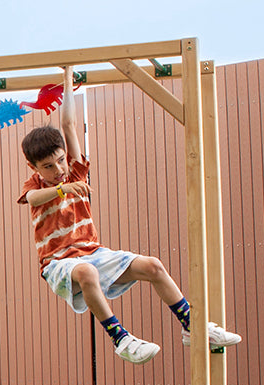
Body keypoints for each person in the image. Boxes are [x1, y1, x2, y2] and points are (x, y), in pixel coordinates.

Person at [16, 103, 241, 364]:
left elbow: (68, 125)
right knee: (87, 273)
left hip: (93, 253)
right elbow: (32, 199)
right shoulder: (39, 184)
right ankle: (120, 338)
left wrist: (68, 75)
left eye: (60, 161)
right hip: (57, 262)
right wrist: (62, 190)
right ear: (33, 167)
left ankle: (193, 327)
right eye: (48, 167)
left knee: (153, 266)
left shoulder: (75, 171)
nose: (58, 171)